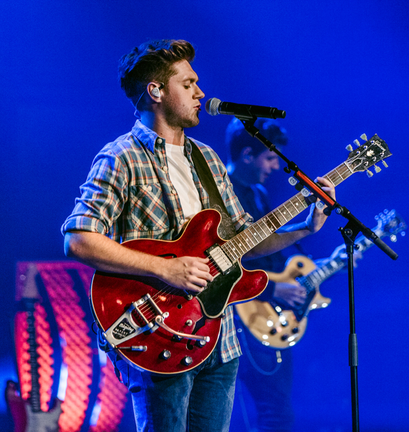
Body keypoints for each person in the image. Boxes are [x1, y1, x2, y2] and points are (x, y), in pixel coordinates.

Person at [60, 39, 336, 432]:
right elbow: (78, 239)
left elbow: (244, 239)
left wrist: (306, 225)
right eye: (188, 84)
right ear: (155, 91)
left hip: (219, 338)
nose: (200, 93)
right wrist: (165, 270)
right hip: (157, 333)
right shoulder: (120, 158)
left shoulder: (206, 159)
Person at [225, 118, 346, 432]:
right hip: (241, 318)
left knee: (278, 413)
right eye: (270, 157)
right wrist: (272, 292)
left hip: (267, 318)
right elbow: (225, 261)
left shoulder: (259, 193)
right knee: (272, 413)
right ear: (247, 155)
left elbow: (273, 258)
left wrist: (325, 263)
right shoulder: (223, 194)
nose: (276, 166)